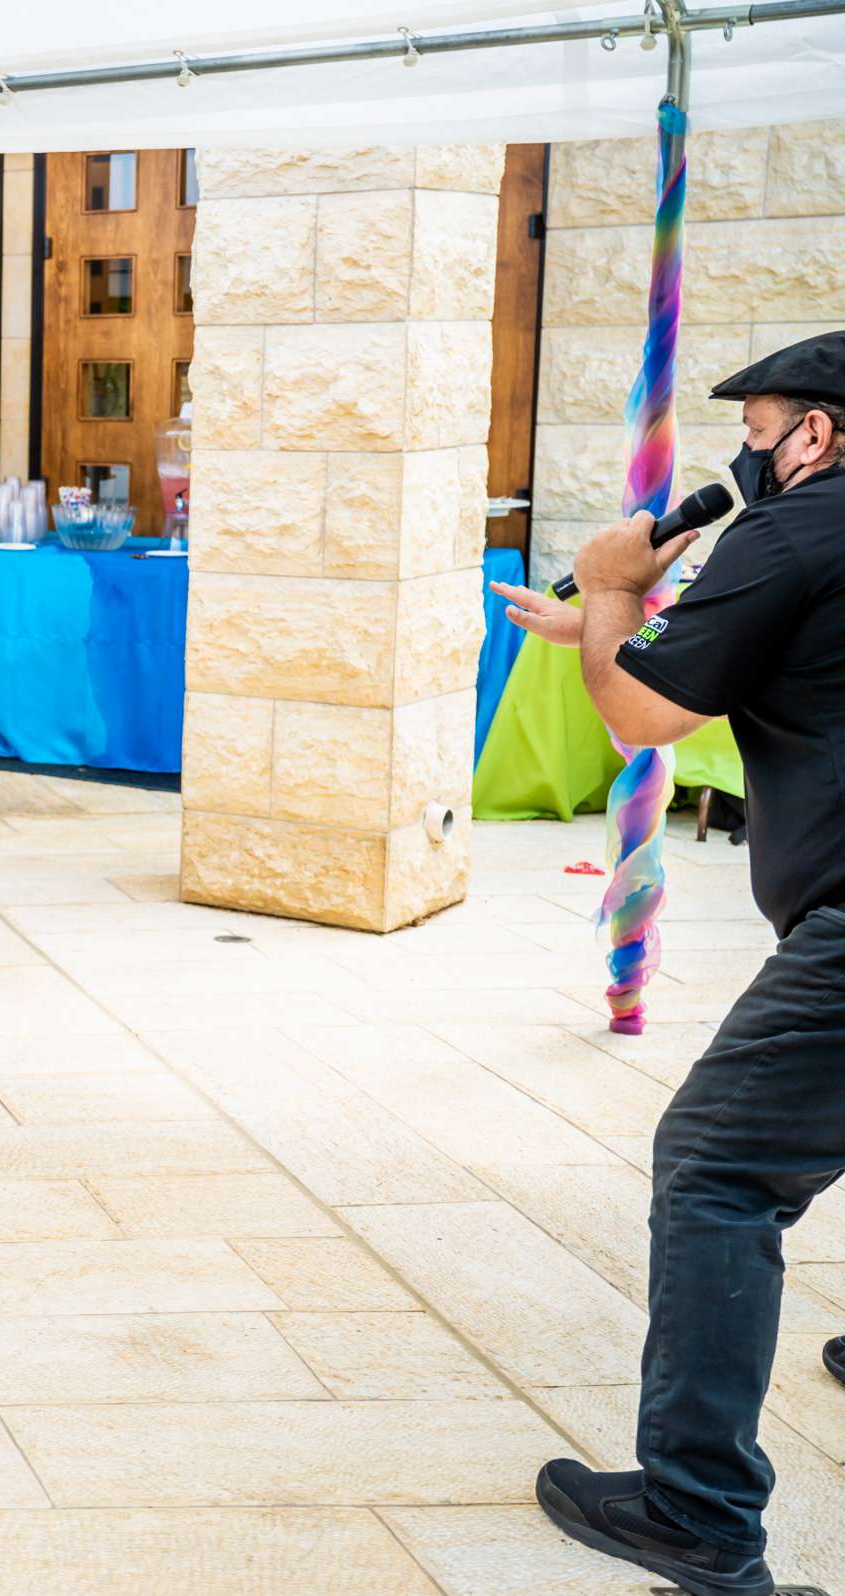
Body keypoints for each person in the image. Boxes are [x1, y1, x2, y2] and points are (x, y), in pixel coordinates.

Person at [498, 329, 845, 1596]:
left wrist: (604, 587)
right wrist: (596, 626)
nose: (739, 457)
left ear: (813, 433)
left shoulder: (794, 531)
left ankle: (697, 1513)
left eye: (754, 430)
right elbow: (718, 673)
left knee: (716, 1171)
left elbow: (643, 715)